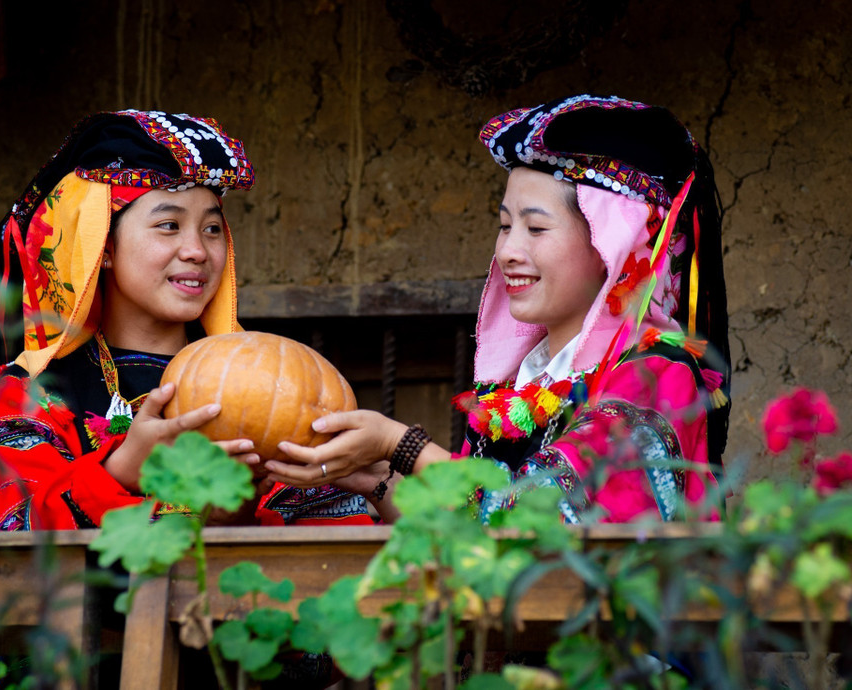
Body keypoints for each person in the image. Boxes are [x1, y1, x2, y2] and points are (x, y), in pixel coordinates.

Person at [266, 94, 731, 524]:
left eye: (535, 228)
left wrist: (400, 446)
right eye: (505, 226)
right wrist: (373, 479)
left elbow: (545, 514)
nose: (508, 251)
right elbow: (472, 523)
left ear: (612, 246)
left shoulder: (656, 374)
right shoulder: (520, 389)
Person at [0, 109, 374, 531]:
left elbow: (334, 552)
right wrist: (121, 471)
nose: (198, 251)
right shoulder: (38, 393)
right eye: (169, 225)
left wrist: (236, 520)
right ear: (103, 247)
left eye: (211, 229)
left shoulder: (274, 383)